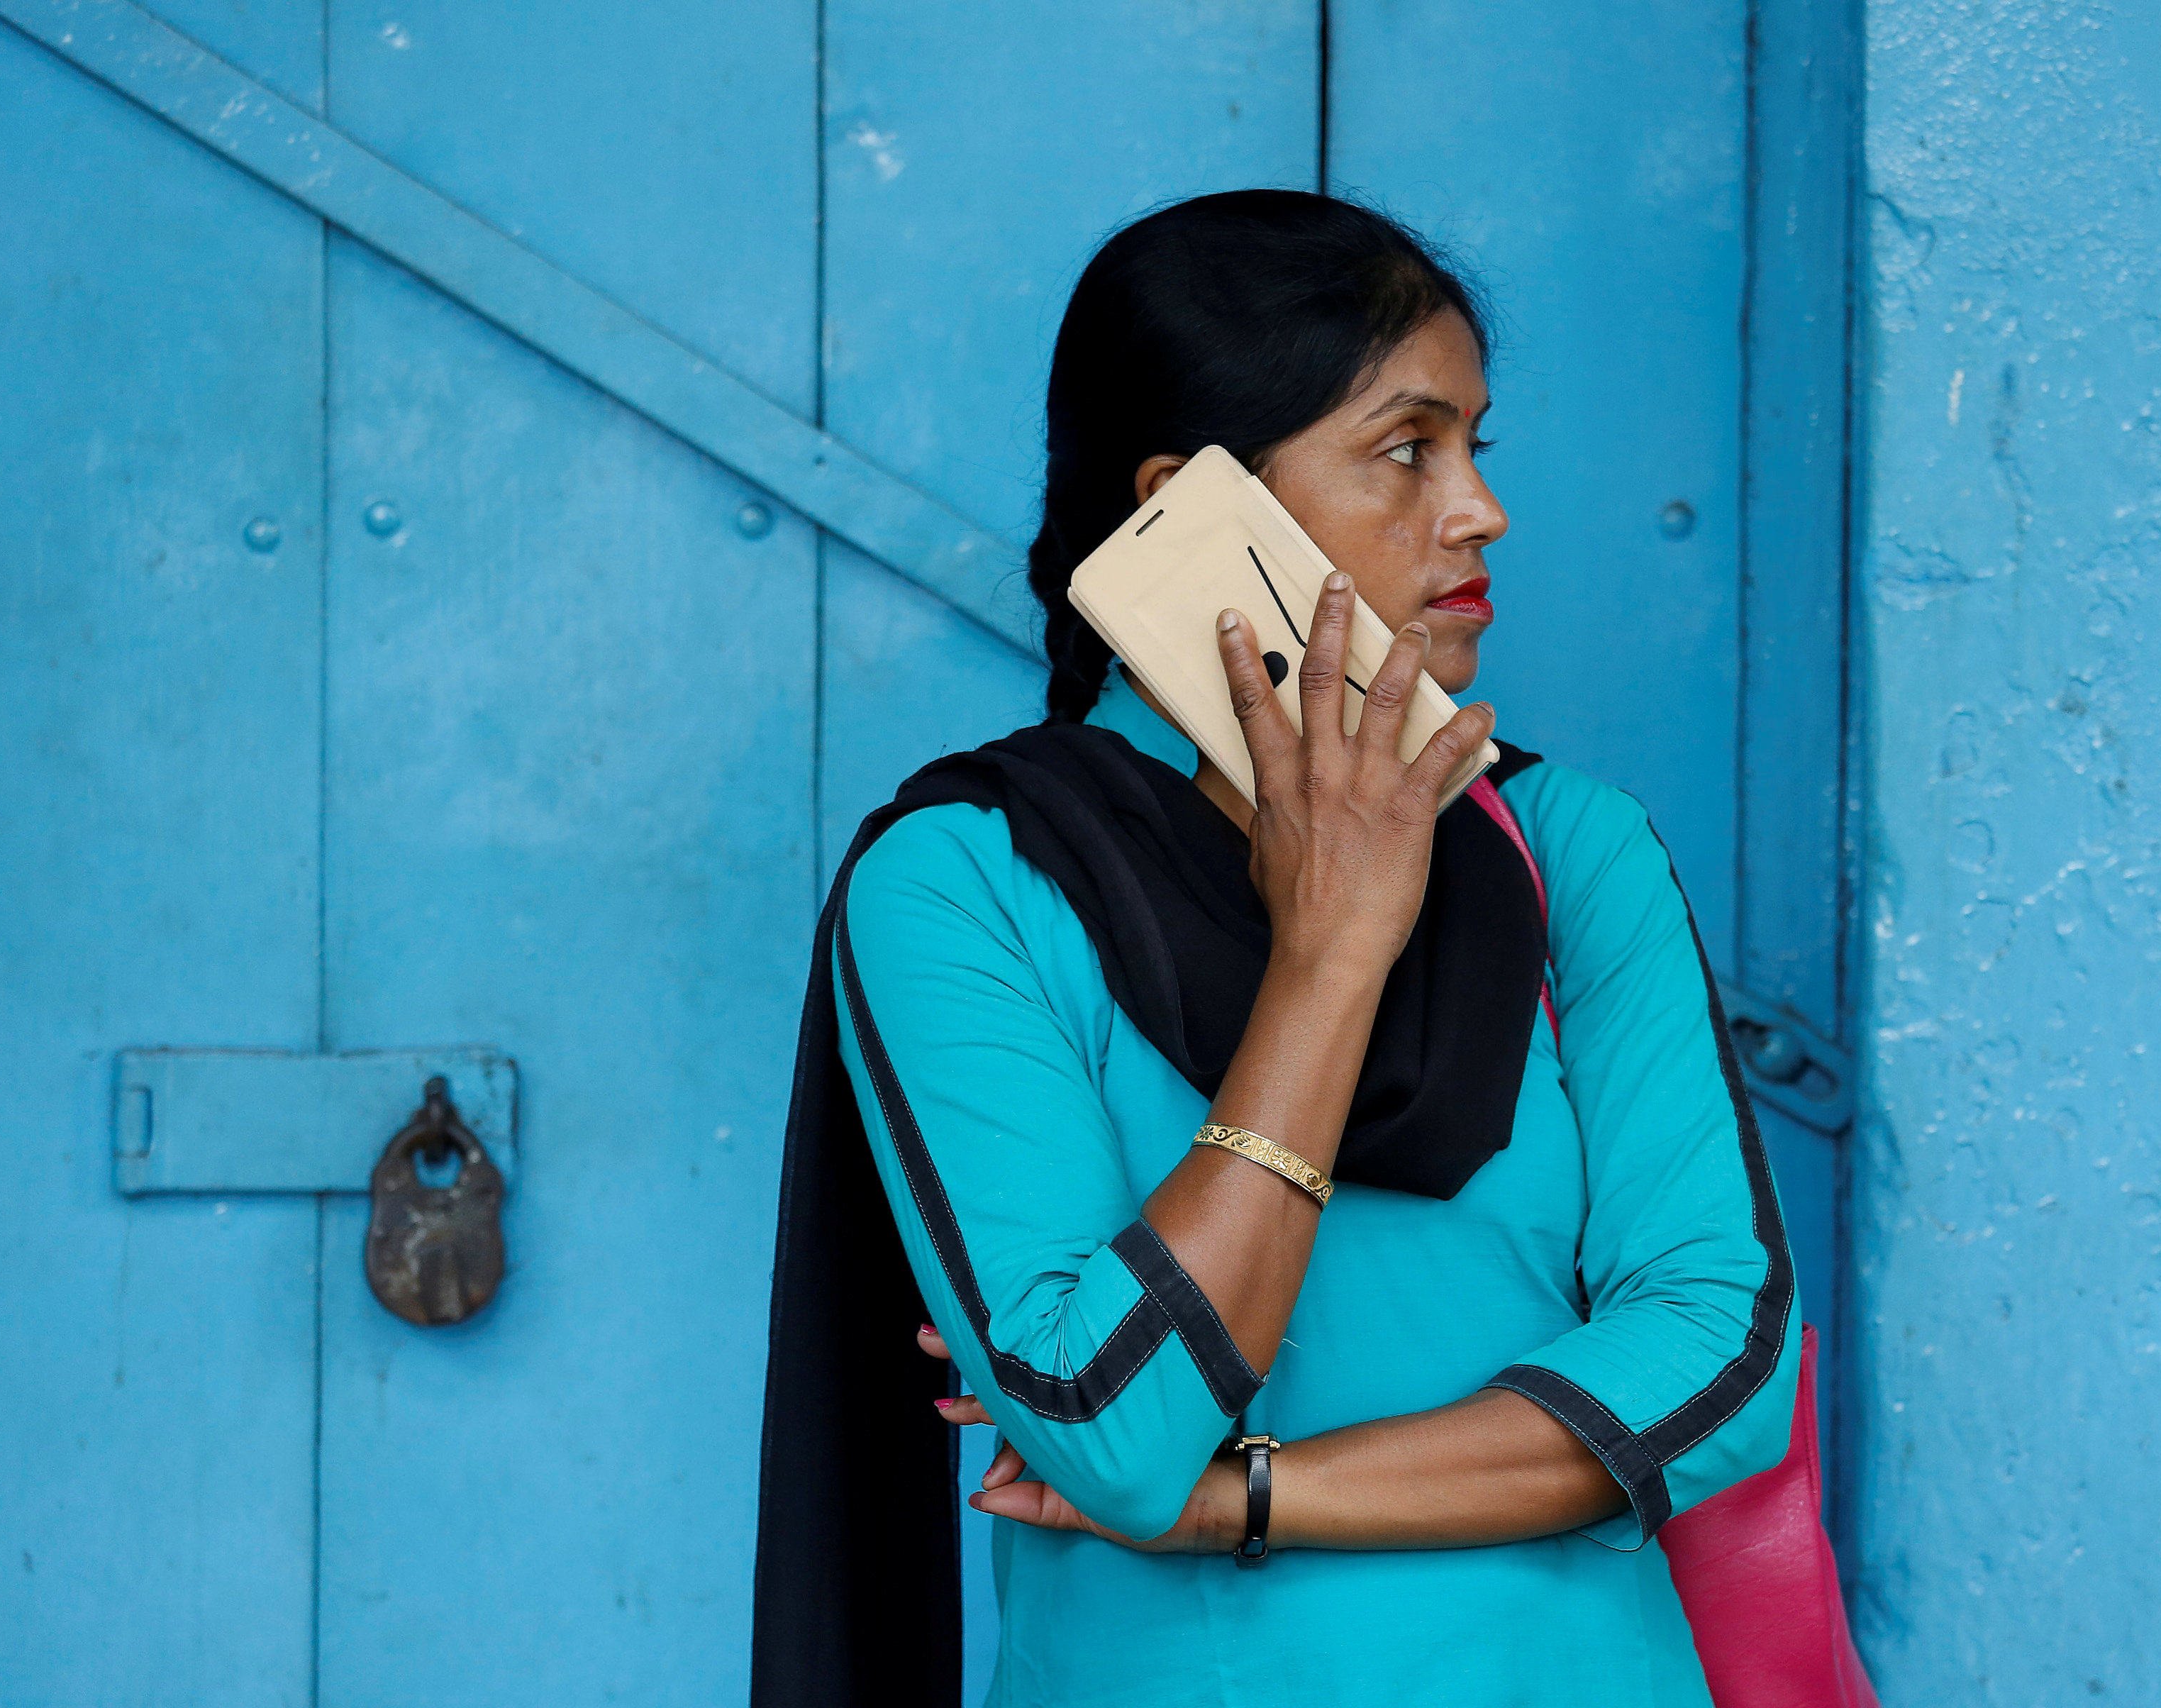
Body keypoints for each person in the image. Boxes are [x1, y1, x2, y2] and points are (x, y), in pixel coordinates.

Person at [752, 189, 1799, 1708]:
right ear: (1190, 505)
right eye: (1406, 448)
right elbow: (1109, 1420)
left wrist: (1247, 1493)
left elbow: (1722, 1360)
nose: (1478, 510)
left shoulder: (1571, 852)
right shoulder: (967, 882)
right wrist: (1330, 949)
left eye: (1473, 446)